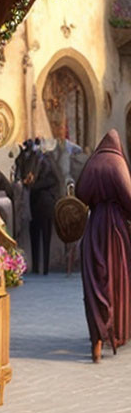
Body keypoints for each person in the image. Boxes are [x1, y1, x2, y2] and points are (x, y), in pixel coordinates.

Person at [75, 129, 131, 362]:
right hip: (116, 230)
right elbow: (129, 198)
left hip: (95, 226)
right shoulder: (118, 162)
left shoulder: (92, 163)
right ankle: (114, 333)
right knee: (116, 281)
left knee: (95, 281)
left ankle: (96, 340)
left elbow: (79, 196)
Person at [19, 139, 60, 274]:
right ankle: (37, 267)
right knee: (36, 234)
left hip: (44, 204)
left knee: (43, 235)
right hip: (37, 203)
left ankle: (43, 268)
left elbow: (51, 181)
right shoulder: (36, 161)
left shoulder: (45, 162)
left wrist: (32, 185)